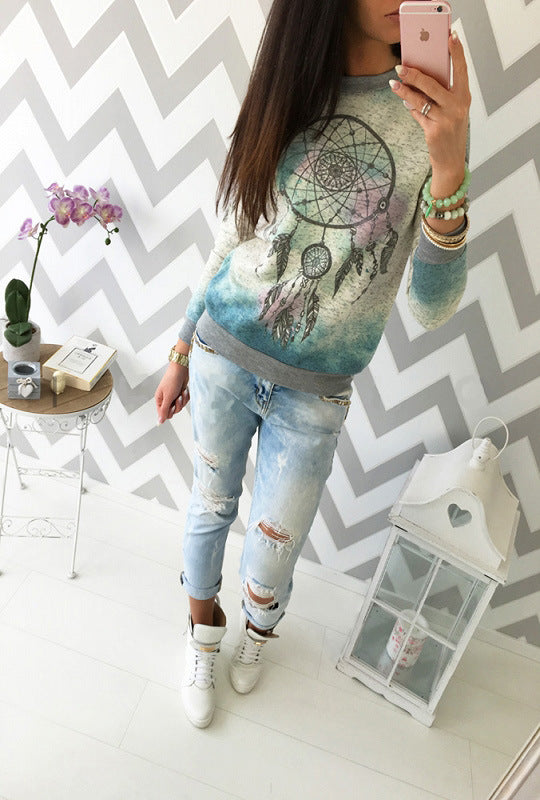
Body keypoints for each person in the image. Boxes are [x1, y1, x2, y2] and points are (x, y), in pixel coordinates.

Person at [155, 0, 471, 729]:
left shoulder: (434, 109)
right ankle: (202, 634)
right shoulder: (288, 83)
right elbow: (235, 233)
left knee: (273, 551)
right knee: (208, 507)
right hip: (224, 352)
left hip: (316, 393)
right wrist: (179, 347)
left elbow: (432, 307)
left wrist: (449, 165)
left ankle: (258, 633)